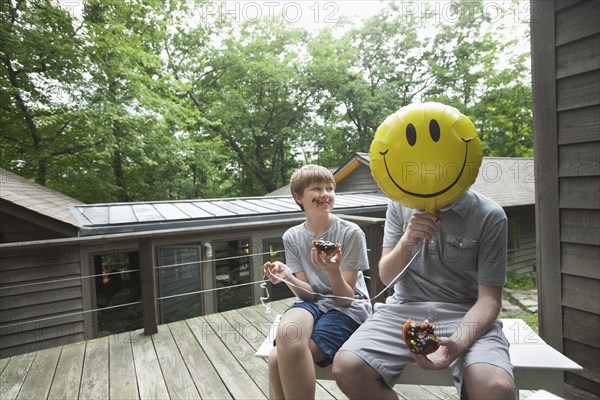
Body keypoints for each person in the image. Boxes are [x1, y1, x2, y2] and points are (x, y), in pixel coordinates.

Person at [332, 189, 517, 399]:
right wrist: (409, 238)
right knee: (347, 367)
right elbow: (388, 278)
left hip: (466, 314)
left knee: (496, 387)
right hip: (403, 310)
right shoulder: (398, 204)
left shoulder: (489, 214)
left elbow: (489, 300)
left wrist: (456, 344)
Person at [263, 164, 372, 400]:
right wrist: (287, 277)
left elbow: (345, 299)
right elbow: (309, 294)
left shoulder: (351, 233)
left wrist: (333, 271)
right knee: (287, 334)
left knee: (275, 360)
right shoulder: (292, 236)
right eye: (317, 189)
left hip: (348, 308)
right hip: (315, 303)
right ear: (299, 197)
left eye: (330, 189)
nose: (325, 195)